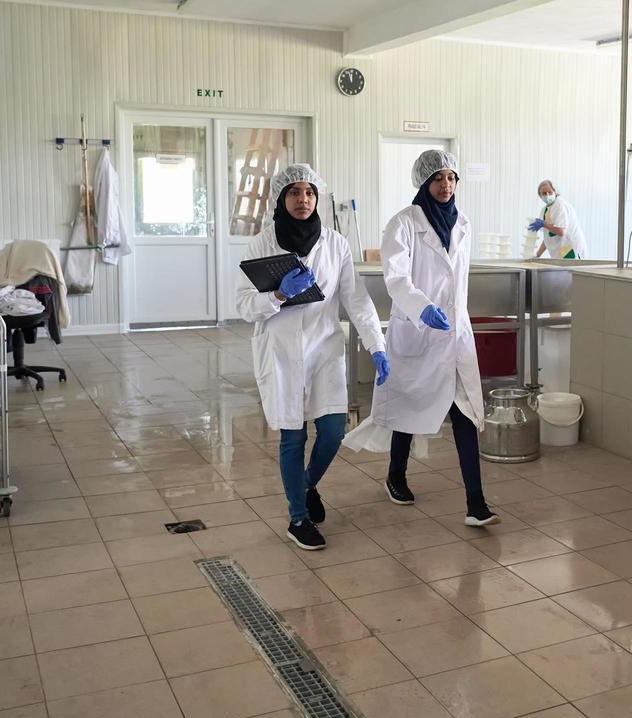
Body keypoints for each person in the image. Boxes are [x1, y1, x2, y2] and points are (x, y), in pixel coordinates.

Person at [236, 164, 389, 551]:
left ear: (317, 198)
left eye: (309, 192)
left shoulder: (336, 244)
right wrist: (278, 296)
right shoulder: (263, 243)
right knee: (293, 436)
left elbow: (356, 300)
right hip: (281, 351)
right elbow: (242, 304)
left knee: (334, 431)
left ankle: (304, 487)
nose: (302, 199)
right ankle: (297, 518)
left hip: (324, 349)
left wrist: (377, 345)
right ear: (280, 199)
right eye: (293, 192)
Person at [343, 149, 498, 526]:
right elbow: (396, 279)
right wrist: (423, 307)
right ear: (424, 182)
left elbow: (459, 280)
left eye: (451, 178)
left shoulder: (463, 222)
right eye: (438, 179)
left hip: (455, 335)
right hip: (416, 330)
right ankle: (396, 474)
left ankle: (475, 503)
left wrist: (454, 315)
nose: (445, 185)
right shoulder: (403, 224)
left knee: (464, 413)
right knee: (407, 409)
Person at [530, 180, 587, 259]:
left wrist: (544, 224)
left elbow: (561, 232)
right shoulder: (545, 210)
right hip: (562, 251)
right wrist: (537, 255)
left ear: (555, 191)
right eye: (544, 193)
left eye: (550, 192)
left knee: (571, 270)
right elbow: (548, 238)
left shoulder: (560, 205)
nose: (547, 195)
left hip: (570, 248)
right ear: (540, 196)